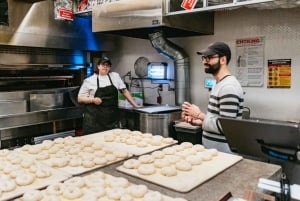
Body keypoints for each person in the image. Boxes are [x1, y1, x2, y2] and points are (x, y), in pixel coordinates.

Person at [181, 42, 244, 153]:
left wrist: (199, 114)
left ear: (223, 60)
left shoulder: (228, 87)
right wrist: (199, 122)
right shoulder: (218, 84)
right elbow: (217, 120)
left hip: (225, 154)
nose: (205, 61)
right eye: (204, 57)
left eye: (209, 57)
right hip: (215, 152)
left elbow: (226, 127)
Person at [78, 56, 141, 134]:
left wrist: (135, 105)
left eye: (107, 65)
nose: (105, 67)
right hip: (94, 120)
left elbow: (124, 91)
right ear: (98, 66)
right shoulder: (89, 80)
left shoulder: (115, 76)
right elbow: (80, 98)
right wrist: (93, 100)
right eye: (103, 64)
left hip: (111, 118)